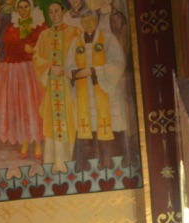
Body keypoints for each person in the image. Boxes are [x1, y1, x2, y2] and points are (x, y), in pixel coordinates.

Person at [63, 10, 127, 169]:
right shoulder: (76, 42)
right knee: (86, 126)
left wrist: (94, 71)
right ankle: (85, 166)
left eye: (90, 21)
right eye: (84, 22)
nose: (88, 24)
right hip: (84, 93)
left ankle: (109, 163)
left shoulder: (108, 39)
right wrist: (75, 73)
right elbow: (69, 66)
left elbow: (118, 63)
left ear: (97, 21)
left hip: (105, 90)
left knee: (108, 124)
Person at [0, 0, 46, 159]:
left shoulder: (40, 24)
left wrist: (32, 48)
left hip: (33, 69)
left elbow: (43, 44)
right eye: (20, 8)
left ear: (31, 7)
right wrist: (23, 47)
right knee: (21, 105)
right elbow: (6, 46)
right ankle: (25, 140)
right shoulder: (12, 26)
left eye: (26, 7)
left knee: (34, 104)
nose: (23, 10)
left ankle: (37, 142)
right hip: (15, 70)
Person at [34, 3, 79, 173]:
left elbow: (81, 54)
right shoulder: (44, 35)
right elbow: (36, 58)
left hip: (68, 86)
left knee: (70, 121)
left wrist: (68, 70)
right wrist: (50, 67)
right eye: (51, 12)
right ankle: (53, 162)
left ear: (63, 12)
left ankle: (68, 162)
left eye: (56, 11)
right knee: (52, 123)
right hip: (51, 88)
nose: (53, 14)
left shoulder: (74, 31)